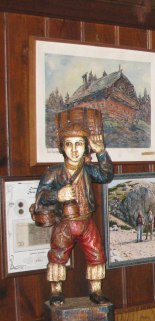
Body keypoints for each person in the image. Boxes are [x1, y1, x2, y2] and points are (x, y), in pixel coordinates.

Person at [34, 112, 114, 306]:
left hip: (86, 221)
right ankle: (56, 290)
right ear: (62, 147)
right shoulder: (54, 172)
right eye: (69, 144)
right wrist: (57, 195)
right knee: (58, 255)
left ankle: (96, 289)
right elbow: (40, 197)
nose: (74, 150)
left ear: (86, 146)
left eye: (79, 144)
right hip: (65, 223)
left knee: (96, 254)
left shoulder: (87, 169)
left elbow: (106, 175)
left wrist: (101, 152)